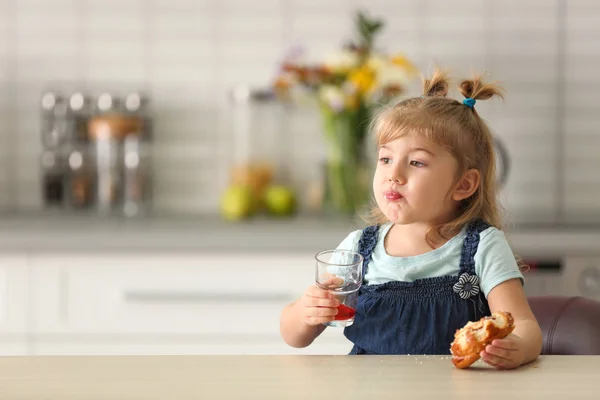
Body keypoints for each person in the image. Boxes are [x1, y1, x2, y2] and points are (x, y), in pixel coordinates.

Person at [280, 69, 543, 369]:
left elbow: (524, 325)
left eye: (416, 162)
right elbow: (293, 335)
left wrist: (518, 347)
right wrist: (306, 311)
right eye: (386, 159)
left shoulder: (482, 246)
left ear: (464, 185)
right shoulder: (358, 249)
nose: (394, 175)